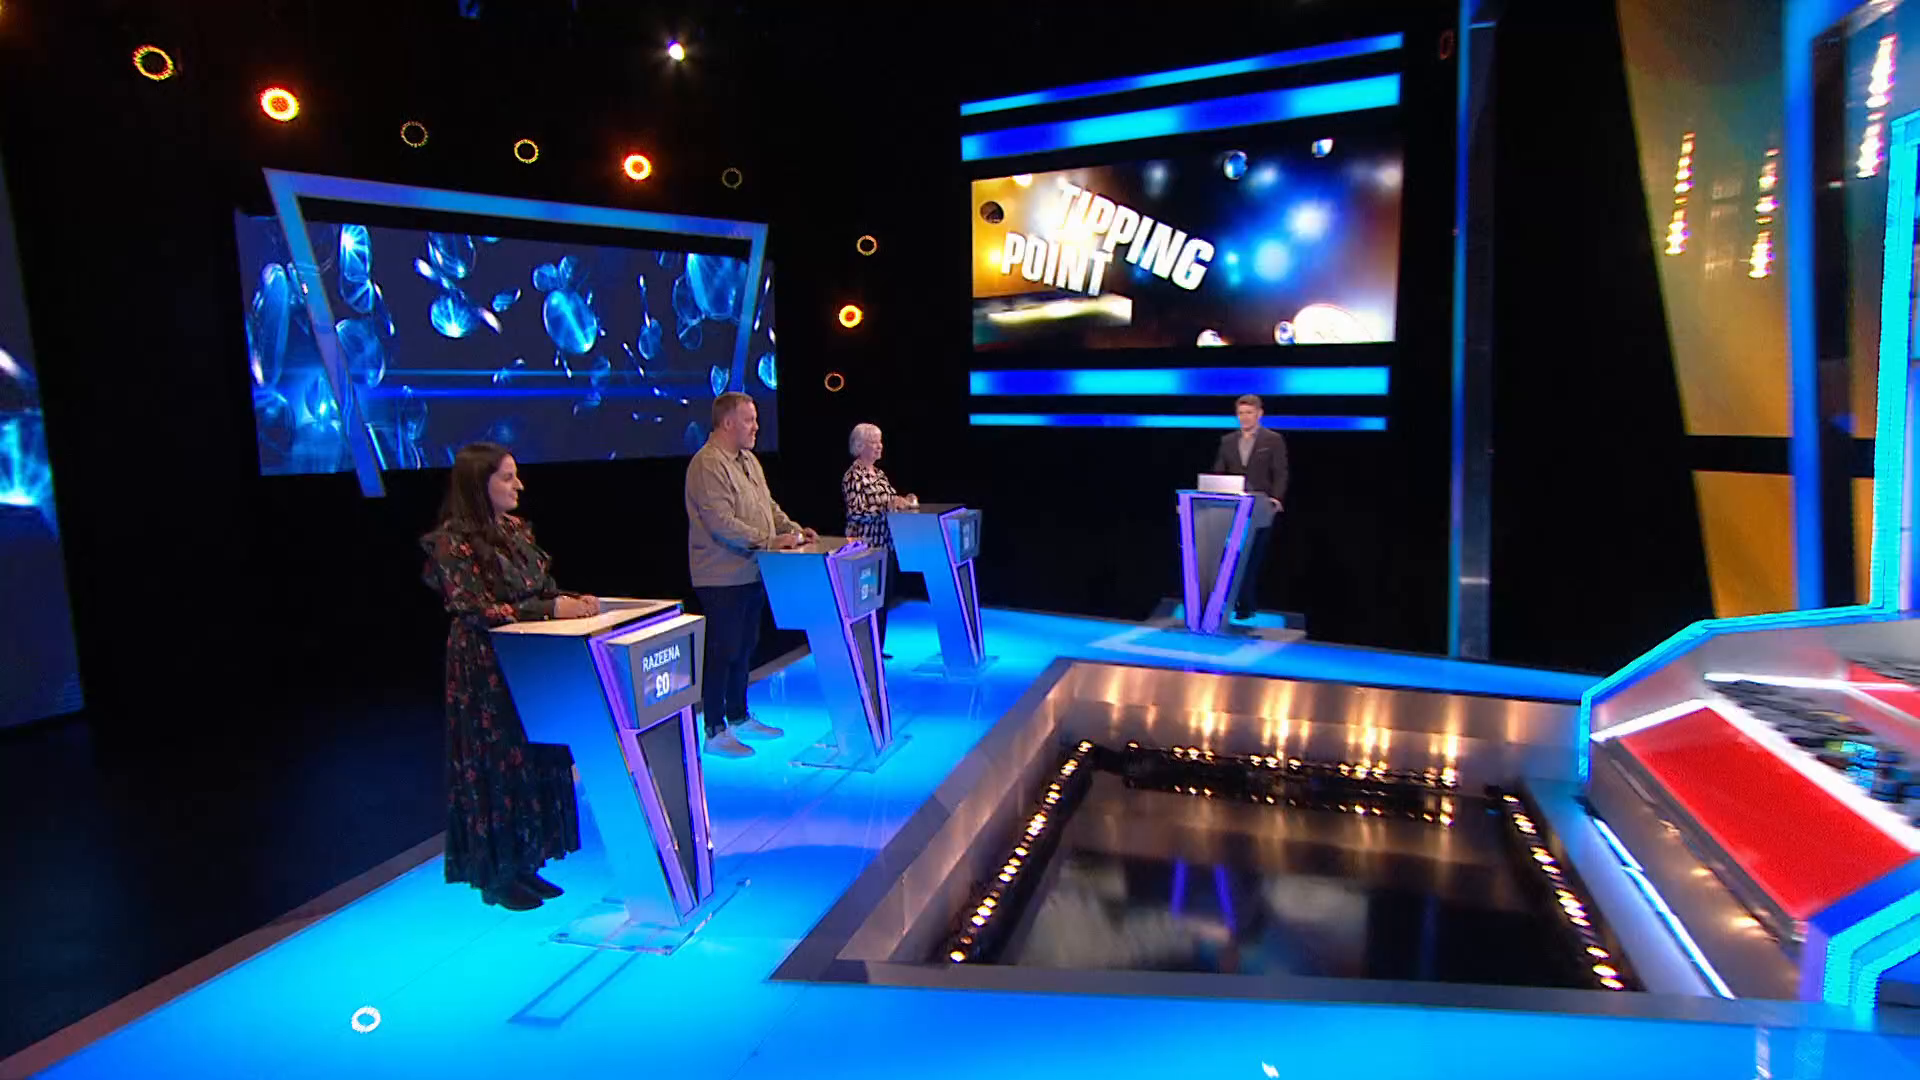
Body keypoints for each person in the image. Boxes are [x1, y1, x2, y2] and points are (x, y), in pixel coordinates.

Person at [421, 442, 600, 912]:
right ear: (478, 485)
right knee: (497, 762)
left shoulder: (516, 531)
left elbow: (536, 591)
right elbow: (476, 607)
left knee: (532, 757)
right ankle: (496, 874)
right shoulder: (451, 543)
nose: (518, 485)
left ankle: (527, 861)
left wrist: (568, 601)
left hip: (530, 661)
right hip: (485, 668)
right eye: (506, 477)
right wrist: (549, 610)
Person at [686, 392, 815, 759]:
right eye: (749, 420)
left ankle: (739, 716)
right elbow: (721, 522)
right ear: (728, 423)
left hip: (752, 571)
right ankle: (714, 729)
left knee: (744, 647)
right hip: (720, 576)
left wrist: (793, 530)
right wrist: (770, 541)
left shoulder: (749, 461)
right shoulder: (707, 464)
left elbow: (767, 506)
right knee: (723, 649)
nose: (756, 426)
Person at [1209, 394, 1289, 620]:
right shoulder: (1227, 441)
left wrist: (1276, 498)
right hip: (1232, 507)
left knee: (1252, 556)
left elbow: (1280, 472)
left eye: (1249, 413)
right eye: (1241, 413)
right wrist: (1213, 490)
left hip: (1260, 506)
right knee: (1230, 555)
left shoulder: (1273, 439)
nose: (1244, 417)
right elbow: (1219, 471)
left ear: (1259, 414)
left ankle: (1246, 604)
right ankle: (1228, 602)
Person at [842, 422, 916, 657]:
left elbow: (891, 500)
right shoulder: (853, 476)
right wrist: (887, 506)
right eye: (874, 442)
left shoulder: (879, 474)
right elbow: (856, 512)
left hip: (886, 547)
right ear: (860, 446)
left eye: (880, 442)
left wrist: (904, 501)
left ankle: (877, 649)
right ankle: (862, 652)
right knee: (866, 603)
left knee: (883, 601)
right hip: (864, 550)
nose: (879, 446)